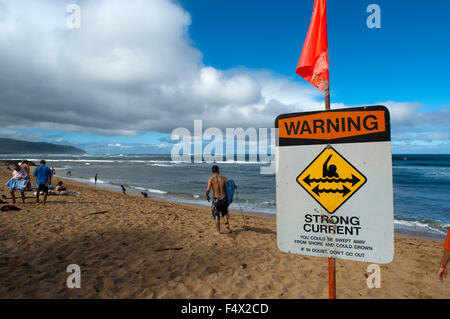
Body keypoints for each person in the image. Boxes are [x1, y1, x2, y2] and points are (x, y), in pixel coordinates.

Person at [206, 165, 232, 235]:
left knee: (216, 214)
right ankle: (227, 225)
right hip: (224, 199)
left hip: (216, 200)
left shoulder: (211, 179)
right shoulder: (224, 178)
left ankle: (218, 231)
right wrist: (230, 198)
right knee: (224, 212)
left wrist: (207, 196)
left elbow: (208, 189)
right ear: (218, 170)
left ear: (212, 171)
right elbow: (230, 187)